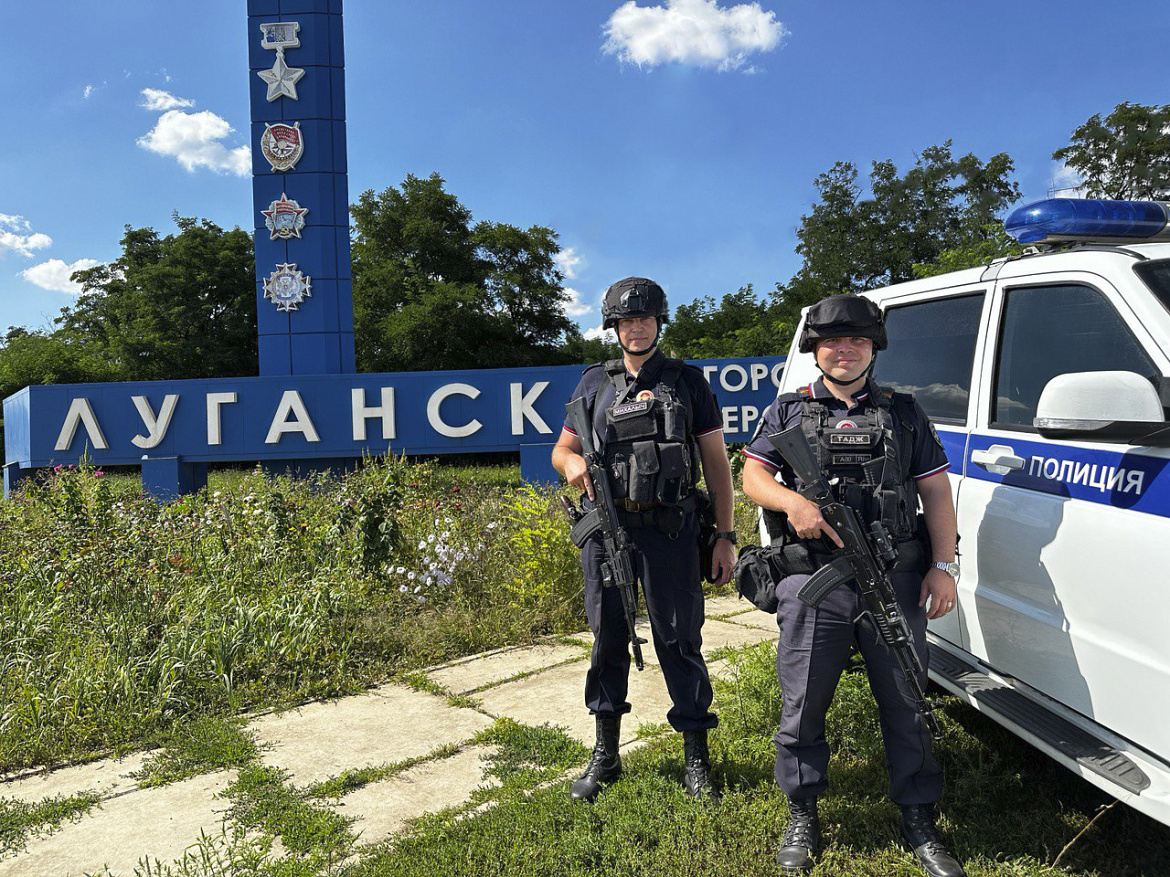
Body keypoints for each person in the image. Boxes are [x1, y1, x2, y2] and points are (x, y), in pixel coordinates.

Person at [741, 294, 965, 877]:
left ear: (873, 349)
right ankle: (802, 810)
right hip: (813, 579)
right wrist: (794, 503)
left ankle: (918, 816)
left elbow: (935, 492)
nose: (845, 351)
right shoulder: (787, 412)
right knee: (803, 703)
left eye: (857, 341)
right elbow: (753, 476)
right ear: (815, 351)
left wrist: (944, 566)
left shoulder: (905, 413)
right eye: (832, 342)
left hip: (894, 580)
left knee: (908, 700)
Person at [552, 276, 738, 801]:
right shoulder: (594, 383)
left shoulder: (687, 382)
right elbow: (562, 450)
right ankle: (606, 754)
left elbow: (717, 465)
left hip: (671, 530)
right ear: (614, 328)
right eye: (626, 321)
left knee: (679, 639)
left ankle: (696, 758)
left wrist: (726, 536)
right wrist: (570, 465)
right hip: (607, 532)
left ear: (659, 323)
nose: (636, 328)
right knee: (608, 637)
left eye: (645, 319)